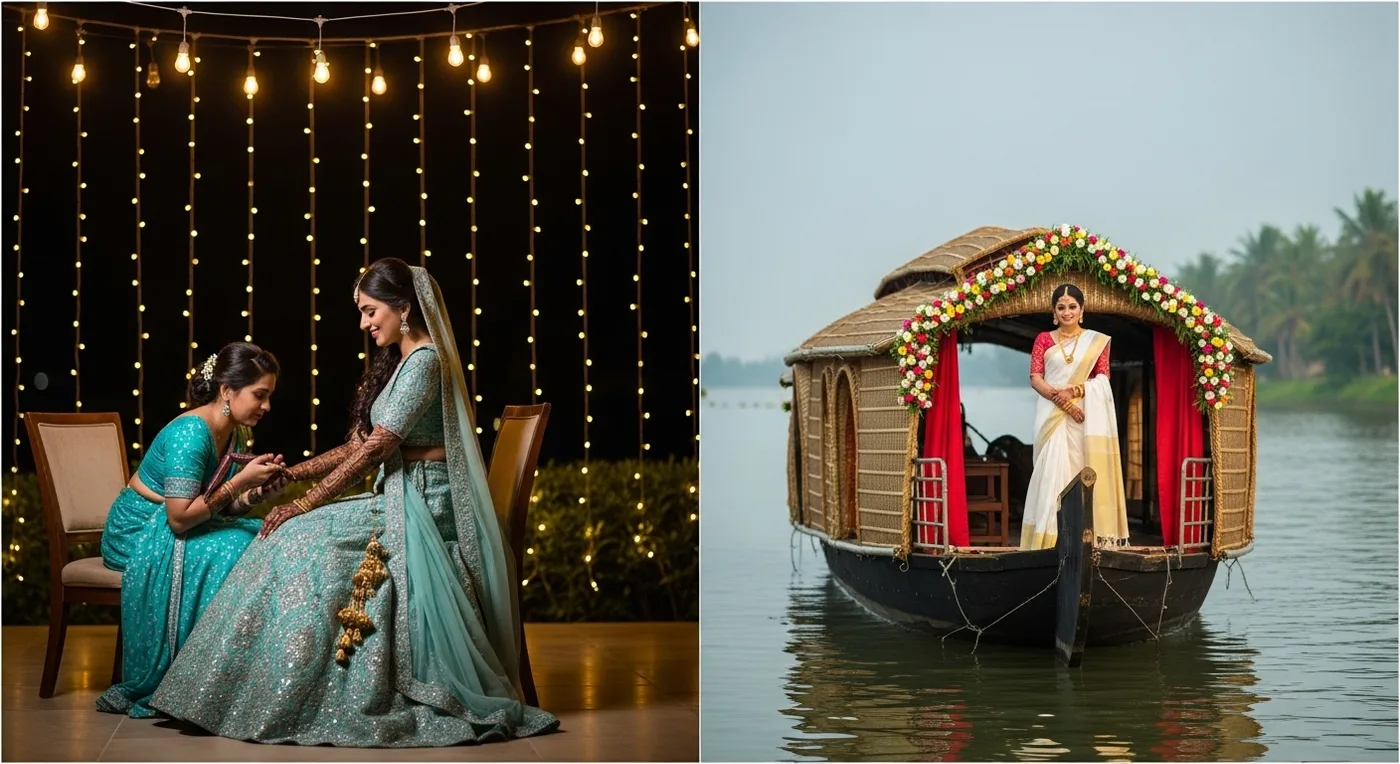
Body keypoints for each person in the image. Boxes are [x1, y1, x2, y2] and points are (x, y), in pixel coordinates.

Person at [151, 258, 559, 747]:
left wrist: (304, 505)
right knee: (289, 535)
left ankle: (286, 693)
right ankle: (234, 691)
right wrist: (291, 474)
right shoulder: (403, 364)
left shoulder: (425, 362)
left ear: (403, 308)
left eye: (370, 311)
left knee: (298, 537)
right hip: (396, 494)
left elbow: (376, 449)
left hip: (424, 506)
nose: (365, 324)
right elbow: (355, 445)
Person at [97, 342, 288, 717]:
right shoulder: (192, 432)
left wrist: (256, 494)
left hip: (179, 521)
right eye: (260, 395)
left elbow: (217, 507)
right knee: (235, 549)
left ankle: (236, 673)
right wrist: (239, 482)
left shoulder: (236, 432)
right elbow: (180, 518)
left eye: (269, 396)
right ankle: (193, 678)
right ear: (227, 391)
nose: (267, 406)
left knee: (264, 536)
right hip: (137, 531)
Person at [1019, 284, 1129, 550]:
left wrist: (1076, 391)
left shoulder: (1097, 342)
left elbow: (1103, 379)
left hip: (1085, 421)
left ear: (1081, 311)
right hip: (1052, 418)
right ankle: (1048, 541)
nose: (1067, 312)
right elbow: (1036, 379)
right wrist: (1067, 405)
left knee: (1081, 472)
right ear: (1054, 312)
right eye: (1061, 307)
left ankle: (1085, 537)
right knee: (1049, 473)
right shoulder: (1043, 339)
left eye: (1072, 307)